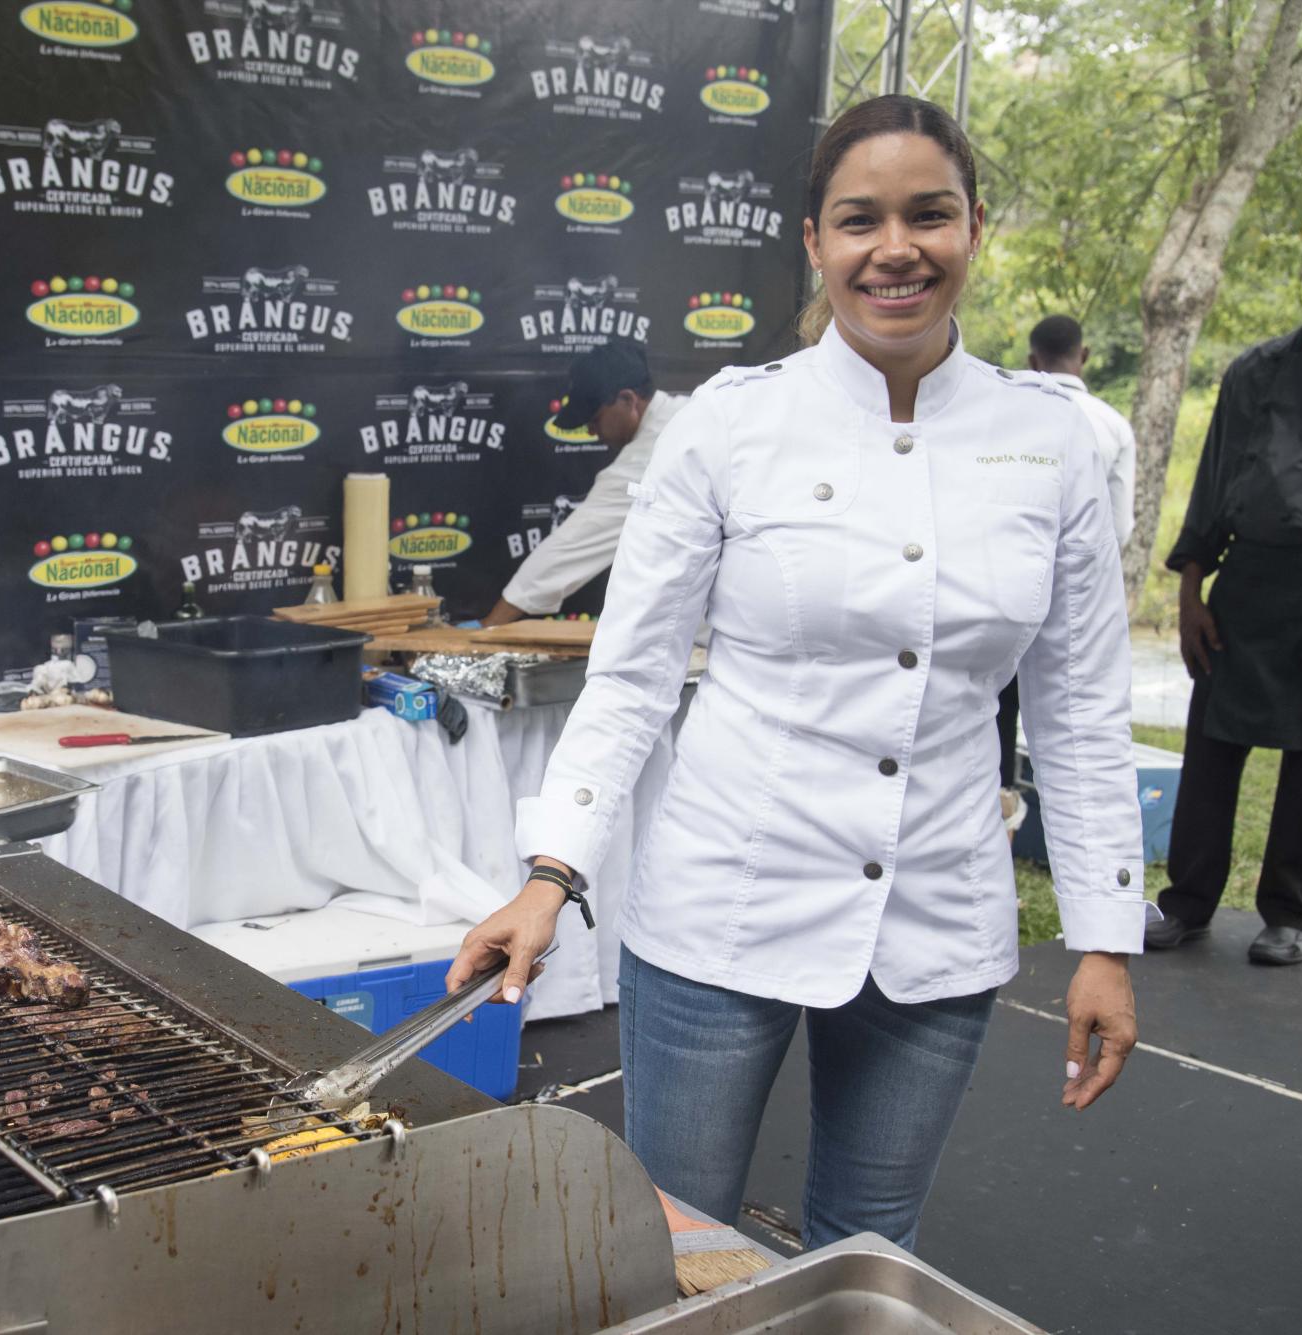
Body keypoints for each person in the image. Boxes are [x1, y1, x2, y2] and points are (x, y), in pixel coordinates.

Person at [447, 94, 1144, 1252]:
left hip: (937, 917)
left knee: (866, 1247)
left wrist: (1104, 939)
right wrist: (549, 874)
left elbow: (1077, 711)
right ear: (813, 242)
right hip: (725, 901)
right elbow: (629, 677)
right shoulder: (728, 426)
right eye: (857, 220)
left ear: (974, 226)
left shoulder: (1051, 439)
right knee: (677, 1239)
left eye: (928, 215)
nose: (895, 248)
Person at [1149, 165, 1302, 966]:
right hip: (1247, 587)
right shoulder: (1254, 370)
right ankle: (1186, 901)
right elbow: (1216, 483)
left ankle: (1292, 911)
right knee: (1212, 752)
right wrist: (1191, 591)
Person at [995, 315, 1139, 833]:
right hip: (1077, 593)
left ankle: (1003, 814)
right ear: (1084, 356)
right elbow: (1117, 527)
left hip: (1004, 587)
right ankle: (1070, 835)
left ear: (1034, 359)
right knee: (1078, 720)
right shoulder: (1113, 423)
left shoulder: (1005, 411)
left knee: (995, 709)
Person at [480, 340, 687, 627]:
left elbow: (570, 547)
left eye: (595, 419)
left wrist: (488, 629)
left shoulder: (654, 453)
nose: (590, 431)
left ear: (628, 400)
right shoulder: (686, 414)